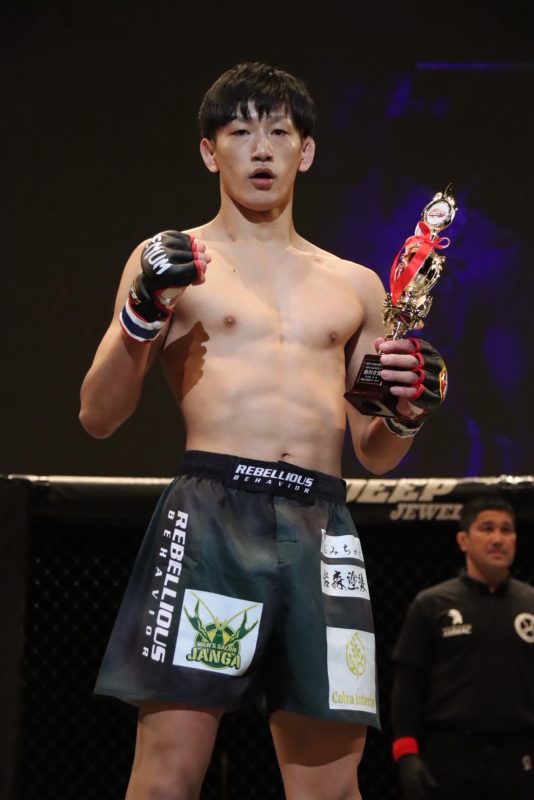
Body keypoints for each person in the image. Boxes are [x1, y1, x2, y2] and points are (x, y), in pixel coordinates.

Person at [79, 62, 447, 800]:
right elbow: (99, 415)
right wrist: (141, 314)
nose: (261, 148)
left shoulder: (355, 285)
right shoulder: (174, 261)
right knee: (166, 780)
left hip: (322, 525)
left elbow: (374, 452)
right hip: (213, 516)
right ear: (209, 151)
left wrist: (408, 410)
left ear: (305, 152)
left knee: (332, 791)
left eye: (279, 131)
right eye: (240, 131)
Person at [391, 494, 534, 800]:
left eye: (507, 529)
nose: (498, 538)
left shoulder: (531, 603)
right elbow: (407, 684)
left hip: (520, 755)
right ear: (463, 540)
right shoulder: (432, 604)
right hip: (449, 755)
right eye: (487, 528)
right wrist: (405, 752)